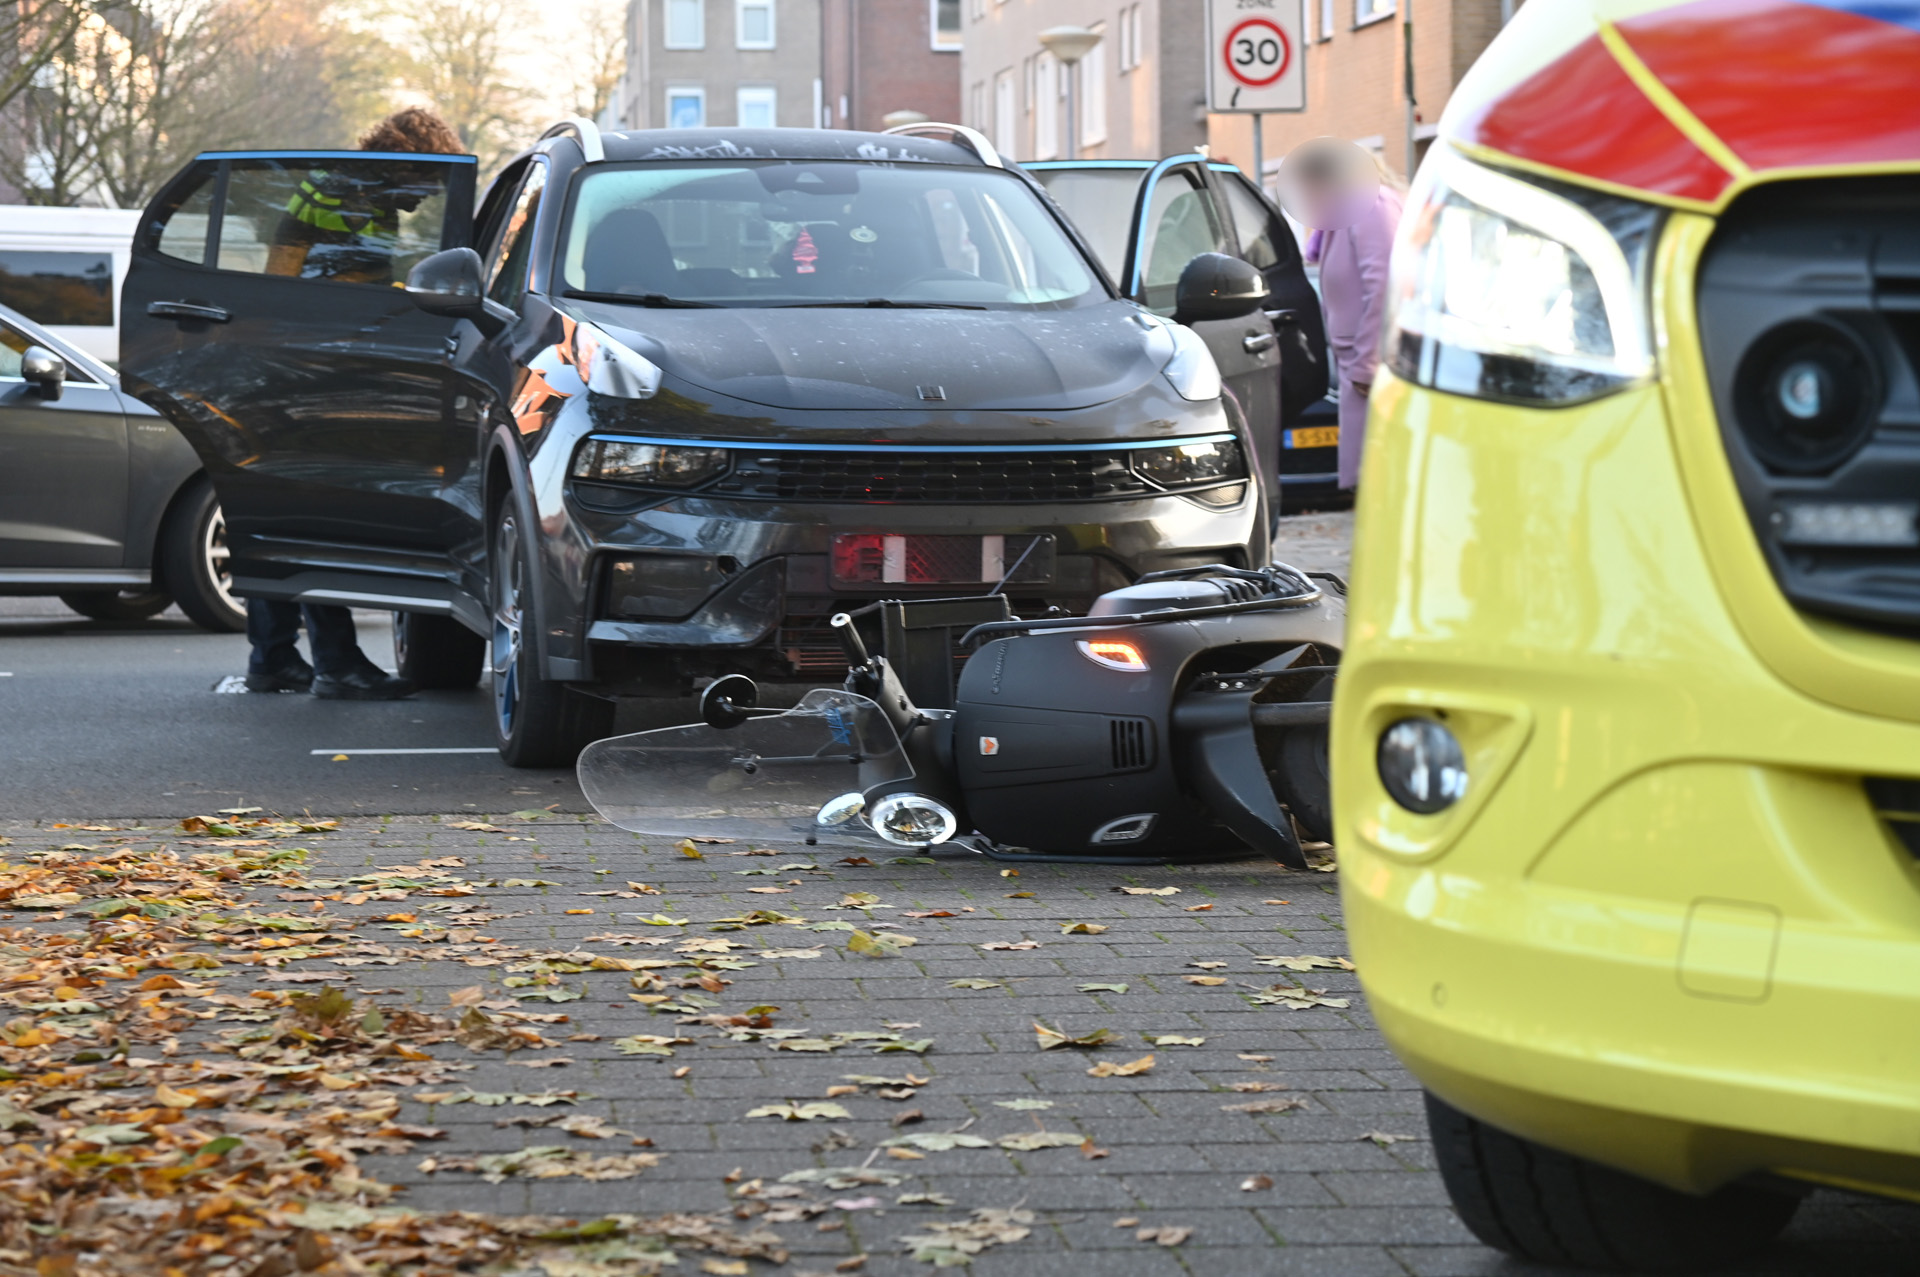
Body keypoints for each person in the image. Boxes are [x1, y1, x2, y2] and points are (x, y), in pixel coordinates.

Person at [242, 107, 464, 700]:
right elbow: (324, 283)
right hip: (312, 372)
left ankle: (272, 658)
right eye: (429, 181)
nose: (428, 198)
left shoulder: (345, 186)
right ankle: (336, 663)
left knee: (280, 516)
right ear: (408, 161)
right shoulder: (353, 195)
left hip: (288, 362)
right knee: (318, 516)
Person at [1294, 143, 1406, 492]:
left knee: (1381, 481)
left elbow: (1387, 284)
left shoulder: (1371, 206)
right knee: (1373, 482)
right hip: (1360, 363)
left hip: (1374, 366)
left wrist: (1369, 362)